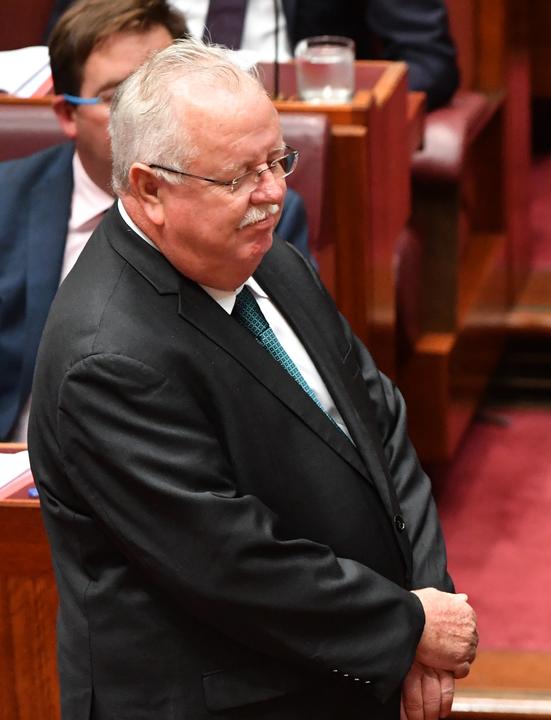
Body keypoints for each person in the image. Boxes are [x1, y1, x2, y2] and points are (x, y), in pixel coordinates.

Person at [27, 39, 474, 719]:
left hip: (341, 667)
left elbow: (379, 424)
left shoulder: (274, 263)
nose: (273, 194)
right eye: (238, 176)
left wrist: (423, 602)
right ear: (150, 188)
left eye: (277, 160)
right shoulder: (109, 357)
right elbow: (228, 560)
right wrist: (406, 628)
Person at [0, 0, 310, 443]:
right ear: (67, 114)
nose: (141, 118)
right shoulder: (6, 201)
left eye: (157, 93)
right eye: (115, 97)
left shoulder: (260, 209)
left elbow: (289, 384)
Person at [50, 0, 461, 109]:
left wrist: (341, 98)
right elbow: (71, 44)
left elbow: (428, 61)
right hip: (142, 118)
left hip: (289, 132)